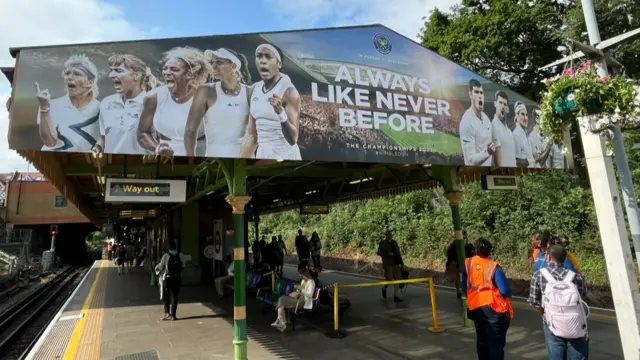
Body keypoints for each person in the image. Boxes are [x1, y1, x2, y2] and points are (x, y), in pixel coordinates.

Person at [138, 46, 212, 157]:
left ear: (190, 74)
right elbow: (142, 133)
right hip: (164, 158)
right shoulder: (153, 97)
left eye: (174, 69)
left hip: (201, 155)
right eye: (165, 68)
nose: (166, 73)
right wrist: (157, 147)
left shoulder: (206, 97)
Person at [184, 48, 252, 157]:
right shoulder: (205, 91)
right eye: (213, 62)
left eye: (219, 62)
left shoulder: (250, 92)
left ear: (233, 66)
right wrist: (190, 161)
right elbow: (190, 131)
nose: (213, 66)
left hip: (245, 160)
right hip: (214, 161)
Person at [240, 43, 302, 160]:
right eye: (259, 56)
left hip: (286, 157)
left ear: (279, 64)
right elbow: (252, 134)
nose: (263, 61)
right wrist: (243, 162)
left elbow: (293, 139)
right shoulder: (254, 89)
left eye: (268, 57)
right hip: (263, 154)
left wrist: (280, 113)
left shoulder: (289, 92)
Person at [529, 244, 589, 359]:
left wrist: (544, 314)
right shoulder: (576, 277)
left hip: (553, 324)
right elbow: (583, 295)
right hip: (576, 323)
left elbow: (534, 301)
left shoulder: (539, 275)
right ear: (564, 258)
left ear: (548, 258)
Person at [92, 54, 160, 155]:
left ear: (136, 75)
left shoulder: (153, 105)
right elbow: (103, 137)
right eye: (111, 70)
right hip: (112, 166)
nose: (111, 75)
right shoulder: (106, 103)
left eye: (118, 71)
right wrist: (97, 147)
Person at [35, 54, 100, 152]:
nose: (70, 77)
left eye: (77, 74)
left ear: (90, 82)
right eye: (67, 73)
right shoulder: (52, 105)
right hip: (53, 160)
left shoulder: (102, 108)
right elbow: (50, 142)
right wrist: (44, 107)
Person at [462, 238, 513, 360]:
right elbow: (505, 291)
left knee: (482, 340)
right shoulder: (494, 267)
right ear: (489, 251)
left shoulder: (468, 264)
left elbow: (464, 287)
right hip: (494, 309)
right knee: (495, 344)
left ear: (475, 250)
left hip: (476, 307)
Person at [459, 79, 494, 166]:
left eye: (481, 93)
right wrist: (487, 153)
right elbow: (470, 161)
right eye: (476, 92)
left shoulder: (486, 119)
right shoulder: (467, 121)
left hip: (489, 171)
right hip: (476, 175)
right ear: (470, 94)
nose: (480, 96)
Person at [271, 266, 315, 332]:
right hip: (298, 298)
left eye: (302, 276)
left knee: (282, 300)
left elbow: (309, 294)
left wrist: (301, 289)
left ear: (306, 275)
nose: (301, 277)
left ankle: (281, 322)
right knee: (281, 299)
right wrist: (297, 288)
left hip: (303, 301)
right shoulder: (303, 280)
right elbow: (300, 291)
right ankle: (280, 320)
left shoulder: (311, 282)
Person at [155, 240, 186, 321]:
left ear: (169, 248)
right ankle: (173, 316)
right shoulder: (181, 255)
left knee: (166, 296)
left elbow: (161, 267)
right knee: (175, 296)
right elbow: (183, 266)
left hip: (168, 278)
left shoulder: (165, 255)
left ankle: (167, 313)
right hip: (177, 278)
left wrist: (160, 266)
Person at [445, 231, 475, 298]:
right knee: (459, 277)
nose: (465, 238)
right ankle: (459, 291)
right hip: (456, 262)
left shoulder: (464, 244)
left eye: (465, 236)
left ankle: (462, 291)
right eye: (464, 236)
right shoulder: (455, 244)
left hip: (463, 262)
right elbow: (449, 253)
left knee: (463, 277)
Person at [491, 91, 517, 168]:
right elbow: (498, 163)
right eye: (500, 102)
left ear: (507, 108)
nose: (502, 106)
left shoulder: (509, 132)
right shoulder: (493, 126)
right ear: (495, 103)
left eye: (505, 104)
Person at [376, 230, 404, 302]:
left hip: (396, 263)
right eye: (388, 235)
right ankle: (384, 288)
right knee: (390, 279)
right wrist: (387, 254)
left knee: (397, 279)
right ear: (386, 236)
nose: (390, 236)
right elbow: (379, 252)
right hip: (388, 264)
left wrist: (401, 262)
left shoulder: (394, 242)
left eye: (390, 234)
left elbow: (398, 253)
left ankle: (396, 296)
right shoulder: (382, 243)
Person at [512, 101, 535, 168]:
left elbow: (526, 156)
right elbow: (517, 162)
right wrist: (533, 159)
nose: (525, 118)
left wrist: (533, 156)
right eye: (522, 114)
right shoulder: (516, 134)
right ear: (517, 115)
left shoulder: (524, 133)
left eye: (526, 115)